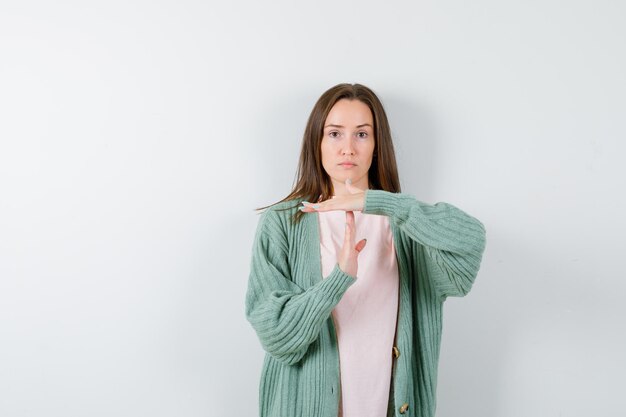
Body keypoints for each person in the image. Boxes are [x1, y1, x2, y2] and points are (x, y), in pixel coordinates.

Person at [245, 83, 486, 417]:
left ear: (377, 145)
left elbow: (470, 241)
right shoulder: (283, 222)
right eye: (334, 134)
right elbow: (277, 335)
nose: (348, 148)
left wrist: (381, 203)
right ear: (316, 142)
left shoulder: (406, 225)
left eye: (361, 134)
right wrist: (338, 279)